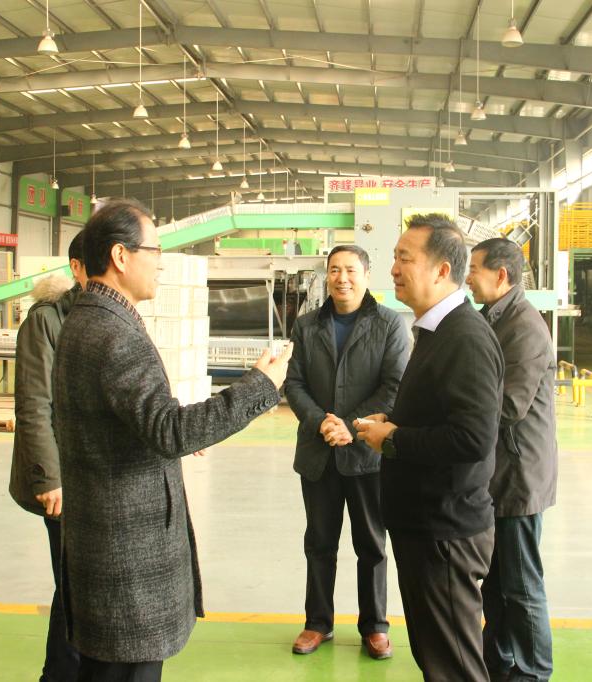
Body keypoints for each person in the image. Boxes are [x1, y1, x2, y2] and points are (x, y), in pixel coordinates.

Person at [51, 199, 293, 682]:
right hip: (127, 551)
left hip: (105, 538)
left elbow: (135, 423)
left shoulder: (87, 319)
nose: (160, 263)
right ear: (121, 256)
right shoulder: (115, 333)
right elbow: (170, 431)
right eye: (155, 250)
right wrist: (261, 386)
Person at [355, 213, 504, 682]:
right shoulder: (436, 330)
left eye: (405, 258)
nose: (393, 269)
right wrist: (395, 423)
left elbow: (474, 437)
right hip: (428, 526)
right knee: (437, 658)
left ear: (441, 270)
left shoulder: (465, 337)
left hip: (446, 533)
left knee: (454, 666)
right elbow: (445, 416)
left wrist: (394, 439)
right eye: (394, 257)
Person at [285, 245, 411, 660]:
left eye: (351, 270)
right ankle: (317, 623)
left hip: (367, 455)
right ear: (327, 275)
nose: (342, 278)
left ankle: (374, 626)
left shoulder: (389, 325)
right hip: (318, 453)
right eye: (335, 270)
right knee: (319, 543)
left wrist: (349, 425)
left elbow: (394, 386)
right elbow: (294, 383)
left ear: (367, 275)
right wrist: (321, 421)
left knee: (371, 544)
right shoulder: (307, 326)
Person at [467, 238, 557, 682]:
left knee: (522, 587)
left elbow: (509, 407)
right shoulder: (495, 318)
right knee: (497, 585)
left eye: (475, 270)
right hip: (498, 475)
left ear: (500, 275)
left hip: (519, 478)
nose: (468, 278)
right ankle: (499, 662)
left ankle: (534, 672)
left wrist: (454, 413)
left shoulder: (524, 327)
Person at [8, 230, 88, 682]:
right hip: (63, 477)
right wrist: (48, 478)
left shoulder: (106, 316)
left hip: (95, 474)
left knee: (82, 583)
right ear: (77, 268)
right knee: (74, 583)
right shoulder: (46, 320)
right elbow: (34, 404)